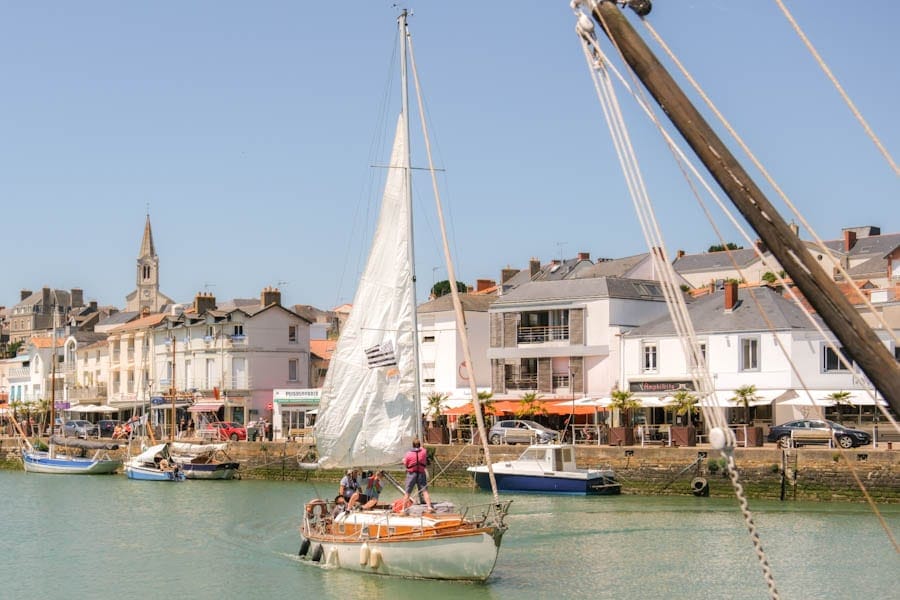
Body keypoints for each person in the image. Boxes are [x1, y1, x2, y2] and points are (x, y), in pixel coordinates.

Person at [401, 438, 433, 511]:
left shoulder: (408, 454)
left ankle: (403, 509)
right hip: (421, 473)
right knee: (425, 491)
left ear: (412, 445)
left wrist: (403, 461)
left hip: (411, 474)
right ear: (419, 445)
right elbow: (422, 448)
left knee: (407, 492)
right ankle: (429, 507)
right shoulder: (424, 452)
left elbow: (406, 464)